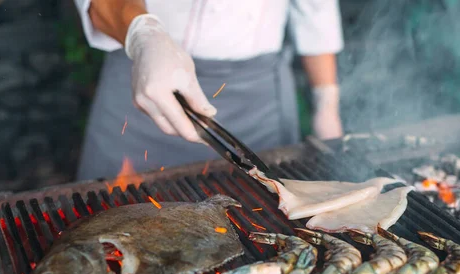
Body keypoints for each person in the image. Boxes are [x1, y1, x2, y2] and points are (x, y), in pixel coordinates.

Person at [73, 0, 345, 181]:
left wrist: (327, 104)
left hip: (257, 103)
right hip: (143, 74)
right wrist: (143, 35)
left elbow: (316, 8)